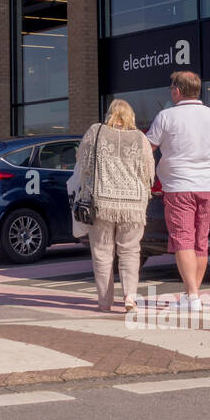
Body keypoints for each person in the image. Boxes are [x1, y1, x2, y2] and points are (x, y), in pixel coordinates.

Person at [145, 71, 210, 311]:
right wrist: (207, 156)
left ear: (177, 90)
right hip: (206, 186)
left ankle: (192, 296)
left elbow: (148, 148)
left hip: (178, 187)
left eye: (171, 88)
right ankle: (192, 295)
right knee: (200, 240)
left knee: (183, 239)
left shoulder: (166, 116)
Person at [69, 98, 156, 313]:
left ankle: (105, 302)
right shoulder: (140, 138)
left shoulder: (95, 132)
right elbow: (149, 173)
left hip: (101, 202)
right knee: (130, 251)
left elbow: (82, 161)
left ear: (110, 114)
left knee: (102, 252)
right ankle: (130, 298)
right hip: (133, 205)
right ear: (130, 116)